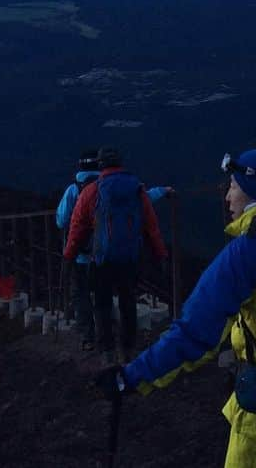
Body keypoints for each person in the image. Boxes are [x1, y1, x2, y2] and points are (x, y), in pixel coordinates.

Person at [100, 143, 256, 468]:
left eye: (234, 186)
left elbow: (196, 333)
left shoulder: (248, 253)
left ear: (254, 190)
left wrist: (130, 377)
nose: (227, 196)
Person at [64, 146, 167, 362]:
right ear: (121, 164)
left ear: (101, 165)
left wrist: (69, 254)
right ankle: (128, 349)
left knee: (102, 304)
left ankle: (107, 352)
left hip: (101, 259)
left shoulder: (91, 191)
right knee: (127, 301)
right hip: (129, 258)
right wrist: (160, 253)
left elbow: (76, 226)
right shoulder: (137, 190)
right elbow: (151, 224)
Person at [56, 149, 100, 348]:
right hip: (105, 252)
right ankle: (107, 331)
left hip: (80, 253)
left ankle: (88, 337)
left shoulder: (74, 189)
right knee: (103, 290)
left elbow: (62, 219)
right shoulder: (108, 186)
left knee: (80, 293)